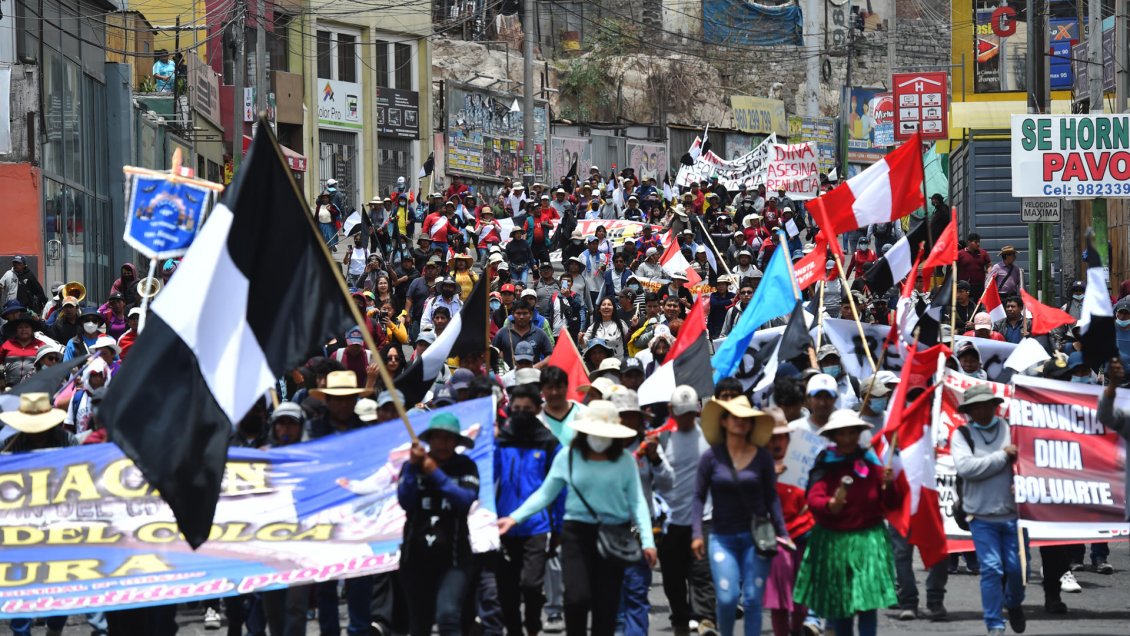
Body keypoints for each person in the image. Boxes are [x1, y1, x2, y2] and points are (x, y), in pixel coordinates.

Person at [498, 401, 657, 636]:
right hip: (577, 535)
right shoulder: (568, 457)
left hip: (614, 534)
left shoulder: (624, 461)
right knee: (576, 599)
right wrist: (513, 518)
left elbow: (637, 502)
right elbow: (545, 493)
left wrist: (647, 541)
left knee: (606, 605)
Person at [794, 410, 902, 636]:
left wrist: (889, 484)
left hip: (868, 540)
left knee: (867, 605)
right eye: (842, 433)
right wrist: (829, 504)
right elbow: (814, 497)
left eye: (852, 432)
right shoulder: (825, 462)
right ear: (833, 436)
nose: (848, 438)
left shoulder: (871, 462)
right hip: (835, 541)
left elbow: (891, 502)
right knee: (841, 606)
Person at [691, 395, 784, 636]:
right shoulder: (711, 457)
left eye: (745, 418)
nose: (740, 422)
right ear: (723, 421)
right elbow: (698, 496)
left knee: (753, 599)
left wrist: (782, 532)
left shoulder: (762, 457)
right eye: (734, 417)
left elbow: (771, 497)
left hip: (756, 538)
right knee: (727, 597)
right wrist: (697, 533)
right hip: (722, 538)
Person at [950, 385, 1026, 636]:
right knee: (992, 569)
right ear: (969, 410)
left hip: (1014, 516)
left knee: (1016, 570)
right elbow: (966, 468)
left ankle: (1014, 602)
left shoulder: (1011, 429)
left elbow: (1028, 461)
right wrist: (1002, 458)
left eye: (987, 404)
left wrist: (1021, 481)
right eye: (977, 406)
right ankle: (994, 624)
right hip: (980, 516)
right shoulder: (962, 435)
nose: (983, 409)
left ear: (995, 405)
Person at [398, 412, 480, 636]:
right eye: (438, 438)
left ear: (456, 442)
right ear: (429, 439)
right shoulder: (411, 466)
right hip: (415, 558)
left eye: (449, 438)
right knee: (419, 624)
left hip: (454, 559)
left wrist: (435, 474)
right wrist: (415, 468)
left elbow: (464, 500)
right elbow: (405, 501)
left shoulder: (466, 466)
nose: (443, 443)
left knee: (448, 616)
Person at [656, 386, 717, 636]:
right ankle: (680, 620)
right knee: (673, 581)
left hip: (704, 518)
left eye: (691, 412)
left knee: (703, 574)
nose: (686, 418)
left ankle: (706, 621)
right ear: (671, 411)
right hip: (671, 522)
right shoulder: (660, 438)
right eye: (681, 413)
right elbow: (654, 480)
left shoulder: (711, 434)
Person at [763, 413, 815, 636]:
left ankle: (797, 630)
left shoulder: (802, 462)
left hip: (803, 533)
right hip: (776, 539)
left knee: (802, 598)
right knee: (780, 602)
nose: (777, 442)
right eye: (772, 438)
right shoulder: (756, 467)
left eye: (781, 437)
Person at [957, 233, 992, 300]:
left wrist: (990, 274)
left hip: (979, 286)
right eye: (976, 242)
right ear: (969, 242)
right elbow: (953, 268)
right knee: (964, 304)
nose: (978, 244)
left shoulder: (983, 253)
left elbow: (989, 265)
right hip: (964, 286)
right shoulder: (960, 254)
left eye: (979, 242)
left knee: (977, 306)